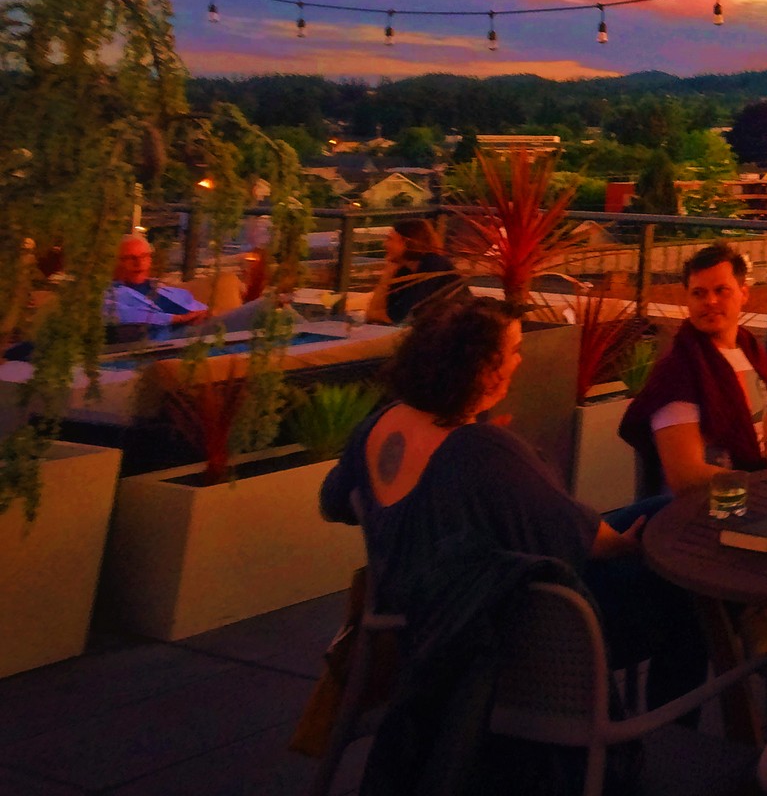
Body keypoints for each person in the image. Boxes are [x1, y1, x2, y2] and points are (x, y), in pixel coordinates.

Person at [319, 297, 704, 690]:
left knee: (664, 508)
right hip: (508, 628)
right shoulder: (479, 450)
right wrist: (629, 545)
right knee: (686, 584)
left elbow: (335, 503)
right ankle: (679, 726)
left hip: (421, 607)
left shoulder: (375, 427)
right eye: (514, 351)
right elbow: (583, 538)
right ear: (481, 367)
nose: (519, 362)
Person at [619, 242, 767, 493]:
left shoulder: (749, 351)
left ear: (744, 294)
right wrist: (760, 488)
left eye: (721, 290)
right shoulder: (679, 373)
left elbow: (766, 445)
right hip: (706, 507)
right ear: (687, 298)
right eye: (699, 293)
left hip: (754, 488)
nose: (710, 301)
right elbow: (686, 476)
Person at [101, 232, 281, 340]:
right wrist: (180, 319)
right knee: (267, 307)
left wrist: (210, 313)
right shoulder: (110, 293)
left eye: (144, 256)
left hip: (200, 328)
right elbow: (121, 315)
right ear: (116, 263)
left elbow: (196, 307)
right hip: (171, 339)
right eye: (130, 258)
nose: (139, 263)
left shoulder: (164, 288)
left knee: (278, 311)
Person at [364, 217, 463, 325]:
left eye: (390, 239)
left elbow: (397, 315)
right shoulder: (404, 271)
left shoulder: (433, 265)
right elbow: (380, 312)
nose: (384, 245)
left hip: (454, 331)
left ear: (408, 243)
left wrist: (375, 315)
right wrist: (387, 275)